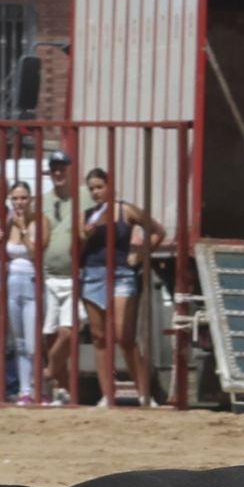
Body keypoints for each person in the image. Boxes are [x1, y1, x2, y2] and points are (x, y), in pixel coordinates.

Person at [77, 168, 164, 408]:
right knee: (99, 338)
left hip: (121, 274)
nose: (96, 192)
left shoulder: (126, 210)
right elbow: (75, 252)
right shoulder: (87, 216)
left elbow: (157, 231)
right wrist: (84, 236)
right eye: (92, 188)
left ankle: (144, 393)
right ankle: (108, 395)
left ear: (109, 185)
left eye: (99, 187)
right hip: (93, 275)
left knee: (124, 336)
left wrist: (141, 254)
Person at [40, 151, 81, 406]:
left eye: (62, 167)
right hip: (48, 277)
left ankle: (48, 373)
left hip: (74, 277)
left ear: (70, 169)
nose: (58, 172)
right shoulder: (43, 201)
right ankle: (61, 390)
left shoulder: (84, 196)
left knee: (67, 333)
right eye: (54, 168)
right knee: (51, 336)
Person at [3, 181, 45, 405]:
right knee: (18, 342)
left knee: (32, 342)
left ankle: (40, 388)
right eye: (15, 198)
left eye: (23, 198)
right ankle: (24, 390)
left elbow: (36, 252)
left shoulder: (37, 222)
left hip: (31, 281)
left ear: (31, 200)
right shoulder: (9, 222)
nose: (19, 203)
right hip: (13, 282)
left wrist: (24, 228)